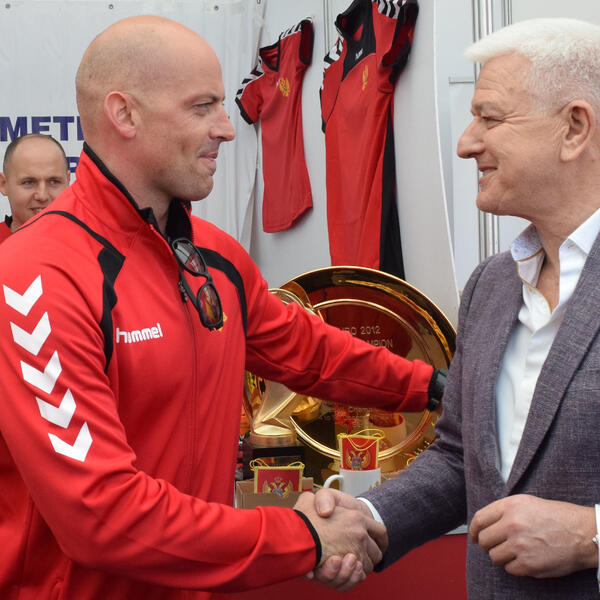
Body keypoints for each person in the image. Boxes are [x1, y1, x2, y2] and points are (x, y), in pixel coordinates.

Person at [0, 15, 445, 600]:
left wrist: (438, 388)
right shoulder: (36, 276)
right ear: (124, 114)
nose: (227, 128)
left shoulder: (215, 258)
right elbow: (100, 516)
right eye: (202, 106)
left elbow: (311, 353)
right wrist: (304, 538)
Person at [312, 17, 600, 598]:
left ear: (574, 128)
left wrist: (592, 535)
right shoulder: (491, 286)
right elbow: (460, 459)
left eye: (490, 118)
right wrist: (366, 518)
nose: (467, 142)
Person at [0, 133, 70, 241]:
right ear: (4, 184)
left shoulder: (91, 244)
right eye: (29, 182)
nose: (42, 196)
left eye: (54, 181)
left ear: (68, 182)